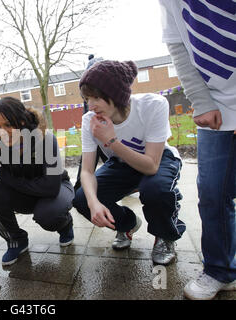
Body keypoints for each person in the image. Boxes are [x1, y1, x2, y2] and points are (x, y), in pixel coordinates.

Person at [72, 60, 186, 266]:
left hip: (158, 159)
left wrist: (111, 141)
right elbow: (87, 172)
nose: (91, 105)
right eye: (87, 98)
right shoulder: (90, 120)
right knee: (81, 198)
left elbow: (151, 165)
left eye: (96, 97)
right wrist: (93, 203)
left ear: (116, 95)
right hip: (122, 163)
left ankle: (165, 235)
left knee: (155, 190)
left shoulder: (153, 105)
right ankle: (127, 224)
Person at [158, 0, 235, 299]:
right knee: (213, 193)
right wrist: (200, 100)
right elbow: (178, 45)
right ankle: (220, 270)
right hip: (215, 102)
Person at [0, 97, 74, 265]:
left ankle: (65, 224)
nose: (2, 132)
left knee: (49, 215)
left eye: (8, 124)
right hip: (26, 192)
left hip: (55, 190)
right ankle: (16, 240)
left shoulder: (46, 140)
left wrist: (6, 177)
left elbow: (50, 188)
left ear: (22, 121)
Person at [73, 54, 106, 192]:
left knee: (109, 154)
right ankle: (80, 187)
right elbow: (90, 109)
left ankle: (79, 187)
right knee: (90, 158)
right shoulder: (89, 91)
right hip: (95, 126)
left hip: (105, 127)